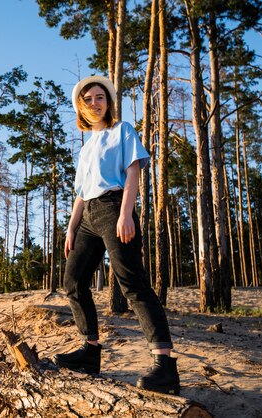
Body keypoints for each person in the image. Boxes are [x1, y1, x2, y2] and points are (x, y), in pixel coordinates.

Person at [53, 75, 180, 395]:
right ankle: (89, 352)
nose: (94, 103)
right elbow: (80, 194)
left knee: (131, 282)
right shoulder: (85, 149)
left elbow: (133, 170)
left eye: (99, 97)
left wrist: (125, 214)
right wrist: (71, 228)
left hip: (113, 208)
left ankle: (164, 365)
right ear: (81, 108)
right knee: (73, 280)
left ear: (108, 102)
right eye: (88, 100)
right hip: (88, 219)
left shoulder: (121, 131)